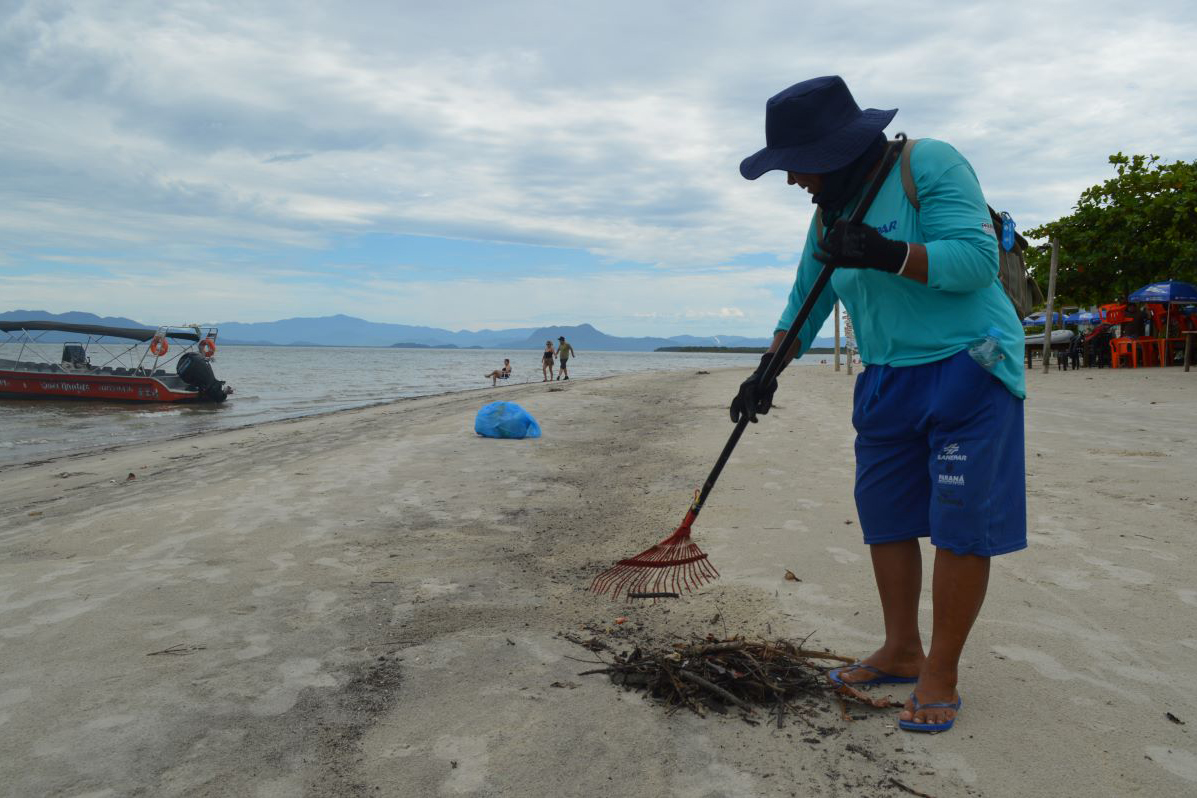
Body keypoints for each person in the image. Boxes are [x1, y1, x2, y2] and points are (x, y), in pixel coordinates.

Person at [733, 75, 1026, 734]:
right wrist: (765, 372)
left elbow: (976, 261)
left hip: (969, 368)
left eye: (794, 165)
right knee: (885, 516)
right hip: (886, 377)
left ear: (836, 148)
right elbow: (804, 302)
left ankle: (940, 672)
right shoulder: (826, 214)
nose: (790, 181)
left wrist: (889, 252)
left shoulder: (930, 164)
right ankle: (900, 649)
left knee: (957, 521)